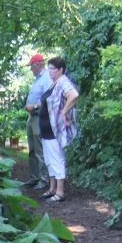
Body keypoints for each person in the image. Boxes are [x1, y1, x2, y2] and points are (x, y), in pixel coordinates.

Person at [38, 56, 79, 203]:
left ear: (61, 70)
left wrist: (64, 113)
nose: (49, 71)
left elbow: (73, 95)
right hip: (46, 130)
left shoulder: (63, 82)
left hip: (55, 130)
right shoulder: (54, 84)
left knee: (57, 159)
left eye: (52, 69)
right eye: (48, 68)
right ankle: (52, 188)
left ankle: (60, 192)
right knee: (49, 160)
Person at [22, 53, 53, 190]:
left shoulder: (46, 78)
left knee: (40, 149)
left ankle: (44, 179)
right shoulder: (38, 79)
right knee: (32, 149)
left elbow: (49, 97)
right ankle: (34, 177)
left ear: (38, 65)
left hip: (39, 117)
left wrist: (34, 106)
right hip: (32, 117)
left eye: (32, 67)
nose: (31, 70)